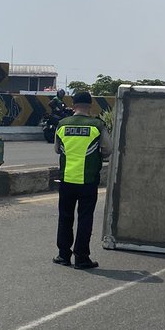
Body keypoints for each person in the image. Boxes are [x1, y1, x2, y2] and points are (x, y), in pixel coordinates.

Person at [53, 90, 112, 269]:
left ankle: (63, 255)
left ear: (73, 105)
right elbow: (108, 149)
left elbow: (57, 149)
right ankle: (81, 258)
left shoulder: (62, 124)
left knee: (65, 217)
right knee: (85, 218)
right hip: (87, 180)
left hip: (67, 179)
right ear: (90, 105)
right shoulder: (97, 125)